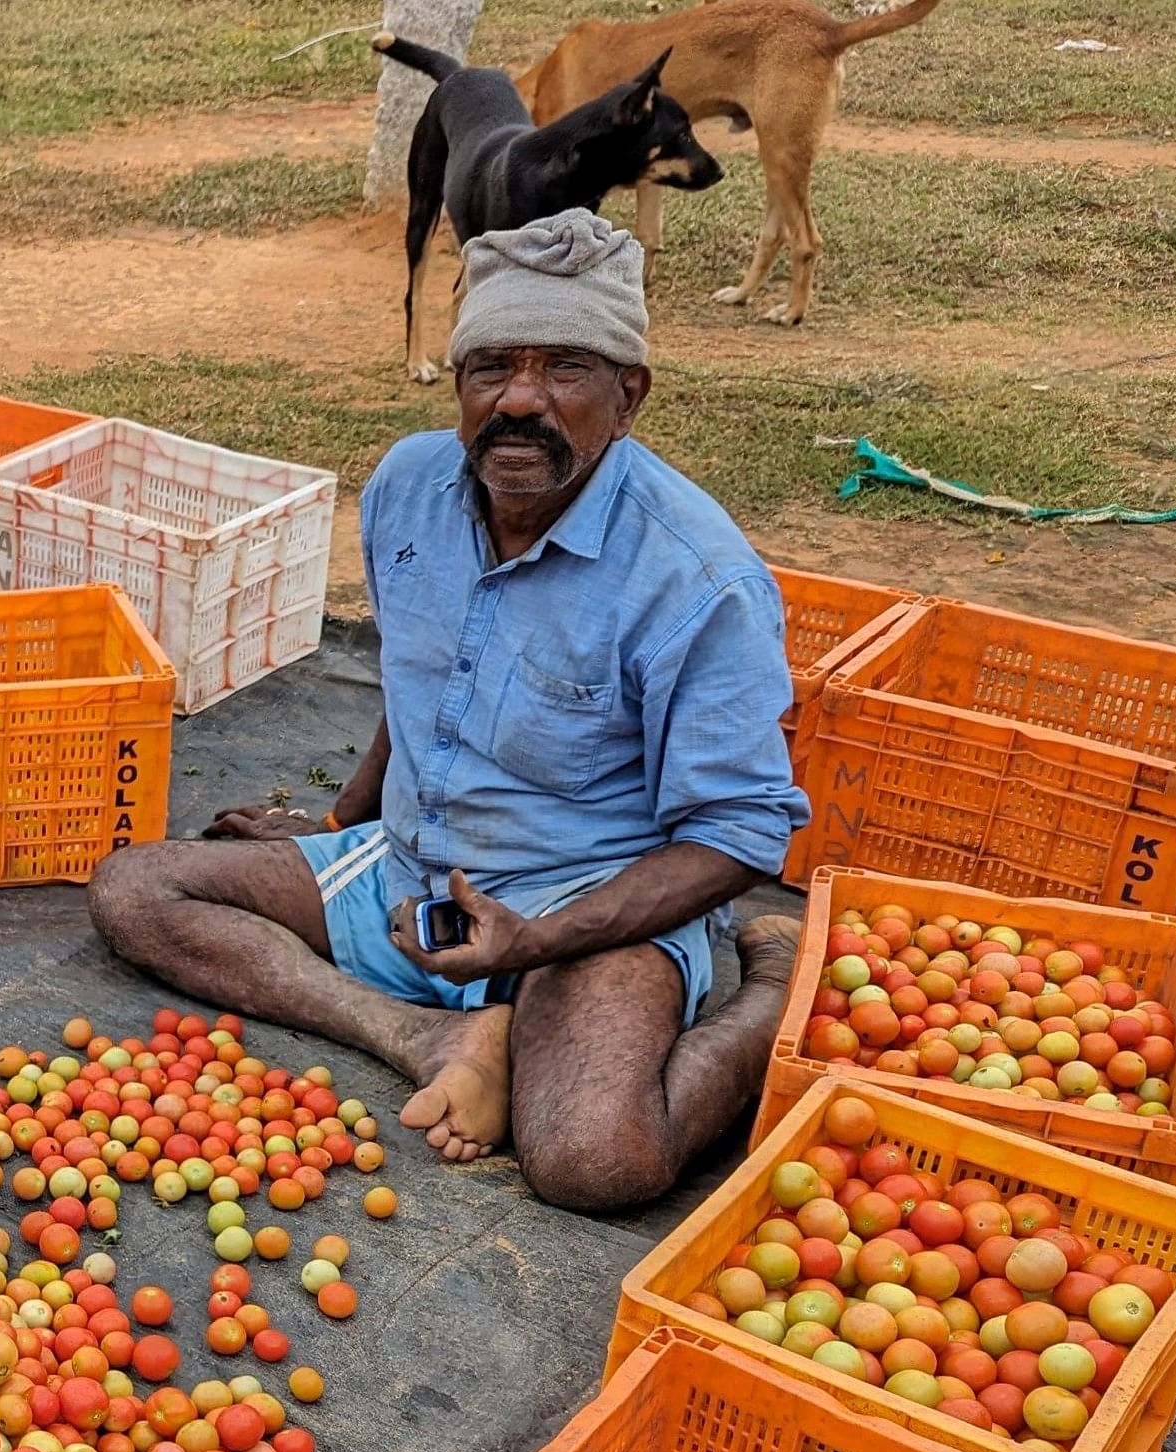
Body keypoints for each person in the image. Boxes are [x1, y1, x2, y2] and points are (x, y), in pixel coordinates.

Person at [91, 210, 804, 1213]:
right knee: (136, 891)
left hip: (582, 907)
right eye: (489, 369)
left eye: (563, 368)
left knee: (593, 1161)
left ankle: (766, 994)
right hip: (411, 876)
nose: (520, 400)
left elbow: (736, 835)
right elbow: (419, 680)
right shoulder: (407, 487)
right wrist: (343, 823)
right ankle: (424, 1033)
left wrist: (535, 943)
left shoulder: (694, 578)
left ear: (626, 395)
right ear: (457, 384)